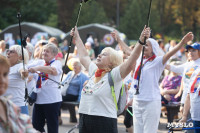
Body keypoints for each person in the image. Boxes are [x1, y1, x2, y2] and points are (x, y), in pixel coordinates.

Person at [70, 26, 150, 133]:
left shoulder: (114, 74)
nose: (99, 55)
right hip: (85, 117)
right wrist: (77, 37)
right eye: (100, 53)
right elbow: (84, 56)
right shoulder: (94, 71)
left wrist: (141, 41)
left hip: (104, 121)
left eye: (104, 54)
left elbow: (131, 60)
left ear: (111, 62)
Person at [112, 29, 193, 133]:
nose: (144, 46)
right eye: (143, 45)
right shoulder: (139, 59)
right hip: (137, 101)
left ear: (153, 48)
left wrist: (182, 42)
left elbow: (170, 53)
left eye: (147, 45)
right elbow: (127, 50)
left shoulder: (158, 61)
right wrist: (118, 38)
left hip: (151, 102)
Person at [28, 43, 62, 133]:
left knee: (52, 127)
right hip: (39, 100)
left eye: (47, 51)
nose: (44, 53)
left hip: (52, 100)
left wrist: (38, 68)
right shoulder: (39, 62)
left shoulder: (57, 63)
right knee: (36, 126)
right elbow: (27, 66)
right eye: (43, 50)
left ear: (54, 54)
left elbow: (52, 70)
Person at [0, 55, 37, 133]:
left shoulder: (9, 105)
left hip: (20, 103)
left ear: (20, 56)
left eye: (5, 74)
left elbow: (25, 127)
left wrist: (24, 74)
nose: (2, 80)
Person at [3, 45, 29, 115]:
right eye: (8, 51)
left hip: (18, 108)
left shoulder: (20, 66)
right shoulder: (5, 68)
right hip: (4, 107)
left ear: (20, 56)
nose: (8, 53)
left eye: (11, 52)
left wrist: (24, 73)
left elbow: (23, 72)